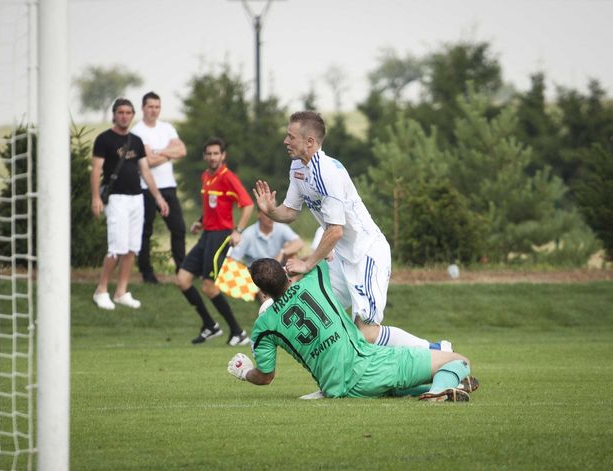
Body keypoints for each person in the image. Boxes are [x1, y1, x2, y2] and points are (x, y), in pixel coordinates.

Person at [254, 110, 446, 350]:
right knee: (318, 312)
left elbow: (336, 231)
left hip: (366, 254)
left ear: (310, 141)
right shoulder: (297, 168)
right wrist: (271, 211)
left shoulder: (328, 174)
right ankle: (348, 381)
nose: (286, 141)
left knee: (365, 333)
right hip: (341, 256)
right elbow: (291, 212)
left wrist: (307, 263)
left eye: (291, 136)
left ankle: (437, 352)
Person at [227, 258, 478, 401]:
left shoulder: (263, 327)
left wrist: (245, 372)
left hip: (337, 387)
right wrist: (304, 264)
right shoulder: (317, 280)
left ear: (262, 292)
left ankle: (442, 389)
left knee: (395, 388)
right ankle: (438, 393)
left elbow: (265, 376)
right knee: (459, 361)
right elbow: (328, 252)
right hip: (369, 364)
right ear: (287, 274)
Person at [90, 98, 169, 310]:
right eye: (120, 112)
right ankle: (101, 290)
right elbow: (97, 169)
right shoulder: (104, 139)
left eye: (128, 112)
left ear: (133, 115)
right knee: (116, 247)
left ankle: (121, 291)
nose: (124, 116)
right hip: (116, 198)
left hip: (137, 198)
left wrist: (158, 197)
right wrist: (96, 198)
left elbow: (145, 170)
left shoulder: (136, 141)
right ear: (114, 114)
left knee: (132, 247)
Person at [176, 137, 254, 346]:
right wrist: (200, 222)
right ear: (205, 156)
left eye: (215, 153)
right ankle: (210, 325)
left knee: (209, 286)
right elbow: (213, 206)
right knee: (183, 279)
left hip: (221, 236)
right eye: (208, 154)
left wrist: (238, 230)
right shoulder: (206, 176)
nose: (212, 157)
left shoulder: (228, 177)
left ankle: (238, 333)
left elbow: (247, 204)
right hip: (207, 234)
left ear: (223, 155)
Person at [131, 91, 187, 283]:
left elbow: (182, 150)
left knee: (178, 228)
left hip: (168, 186)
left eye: (157, 107)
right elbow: (149, 161)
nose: (154, 110)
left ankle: (181, 270)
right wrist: (168, 153)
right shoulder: (137, 131)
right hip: (144, 187)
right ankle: (147, 274)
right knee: (145, 232)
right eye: (150, 107)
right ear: (143, 108)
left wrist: (159, 151)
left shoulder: (167, 128)